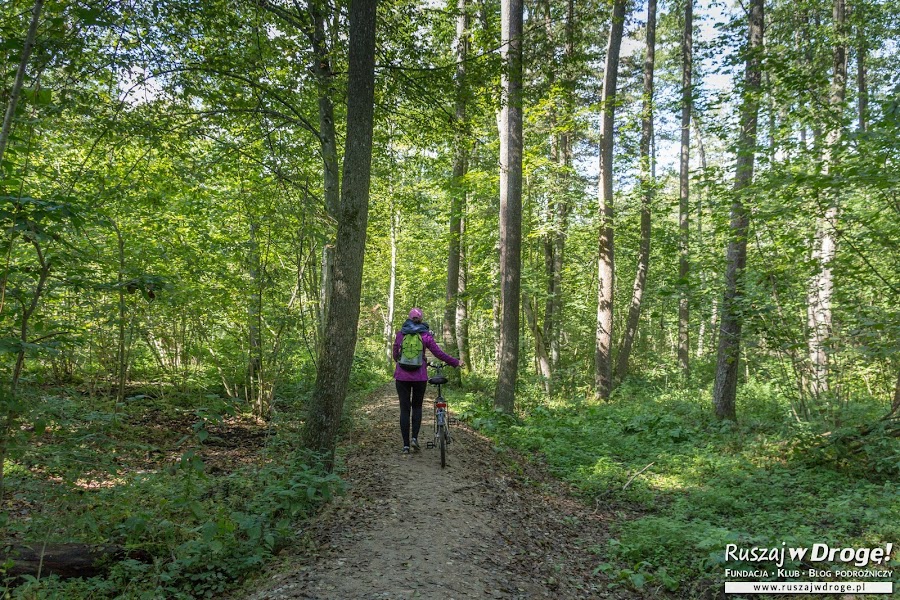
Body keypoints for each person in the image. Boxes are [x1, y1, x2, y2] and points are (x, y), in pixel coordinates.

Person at [393, 308, 461, 454]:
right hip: (419, 377)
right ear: (421, 319)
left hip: (401, 377)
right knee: (417, 407)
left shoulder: (400, 334)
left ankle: (405, 446)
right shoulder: (425, 335)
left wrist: (402, 362)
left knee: (404, 410)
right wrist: (455, 362)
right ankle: (414, 439)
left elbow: (395, 354)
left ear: (409, 318)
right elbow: (438, 353)